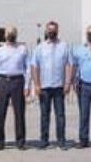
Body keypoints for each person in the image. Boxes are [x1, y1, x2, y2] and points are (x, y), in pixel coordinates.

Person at [30, 21, 73, 150]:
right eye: (49, 30)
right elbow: (34, 66)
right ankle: (44, 140)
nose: (51, 32)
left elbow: (69, 65)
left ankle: (61, 141)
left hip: (59, 86)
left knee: (60, 115)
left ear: (57, 31)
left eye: (54, 30)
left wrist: (67, 83)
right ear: (46, 31)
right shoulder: (40, 47)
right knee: (44, 114)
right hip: (44, 86)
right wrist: (36, 84)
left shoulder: (64, 46)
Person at [0, 26, 30, 150]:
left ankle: (20, 141)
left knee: (19, 113)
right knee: (0, 113)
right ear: (5, 35)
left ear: (16, 35)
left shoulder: (22, 49)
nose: (11, 35)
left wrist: (27, 86)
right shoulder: (0, 51)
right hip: (3, 81)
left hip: (18, 81)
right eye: (9, 33)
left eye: (13, 33)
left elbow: (27, 68)